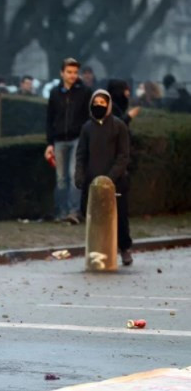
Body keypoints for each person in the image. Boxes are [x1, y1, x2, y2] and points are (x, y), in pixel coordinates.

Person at [75, 90, 133, 265]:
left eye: (102, 102)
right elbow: (81, 155)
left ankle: (125, 248)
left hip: (116, 182)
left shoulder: (119, 126)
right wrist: (80, 175)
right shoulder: (86, 128)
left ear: (108, 105)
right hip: (92, 182)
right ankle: (98, 250)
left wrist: (110, 178)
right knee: (94, 218)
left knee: (120, 217)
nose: (98, 106)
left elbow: (123, 155)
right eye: (96, 102)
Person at [45, 58, 92, 225]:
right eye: (69, 72)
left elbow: (89, 117)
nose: (72, 75)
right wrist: (49, 143)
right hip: (59, 139)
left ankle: (73, 211)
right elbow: (50, 118)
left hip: (77, 138)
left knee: (73, 175)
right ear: (62, 73)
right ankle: (61, 211)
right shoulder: (54, 92)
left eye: (75, 72)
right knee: (61, 178)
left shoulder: (85, 92)